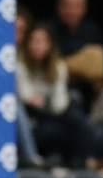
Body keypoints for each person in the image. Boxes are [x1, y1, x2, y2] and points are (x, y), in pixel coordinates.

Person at [16, 22, 92, 168]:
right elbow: (27, 97)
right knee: (53, 130)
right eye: (34, 41)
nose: (37, 46)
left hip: (51, 112)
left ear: (50, 45)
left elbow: (59, 103)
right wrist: (42, 103)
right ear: (27, 43)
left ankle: (80, 165)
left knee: (78, 121)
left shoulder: (58, 67)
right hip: (29, 114)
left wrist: (47, 104)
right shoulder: (19, 65)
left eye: (42, 41)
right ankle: (34, 160)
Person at [44, 0, 103, 111]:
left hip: (85, 93)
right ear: (58, 7)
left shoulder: (92, 31)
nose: (71, 11)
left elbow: (98, 71)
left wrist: (66, 66)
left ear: (84, 9)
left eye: (76, 6)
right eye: (67, 6)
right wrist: (79, 68)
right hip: (51, 90)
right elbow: (46, 68)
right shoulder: (47, 30)